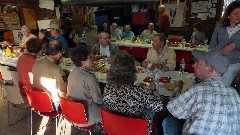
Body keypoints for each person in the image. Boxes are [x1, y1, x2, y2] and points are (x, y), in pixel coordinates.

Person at [166, 49, 240, 135]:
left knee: (168, 120)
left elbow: (173, 109)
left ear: (210, 70)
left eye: (197, 63)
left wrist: (177, 89)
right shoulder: (234, 93)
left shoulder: (198, 90)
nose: (193, 65)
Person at [103, 52, 163, 134]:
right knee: (154, 114)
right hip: (135, 131)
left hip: (114, 128)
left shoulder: (108, 87)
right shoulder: (140, 92)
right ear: (132, 72)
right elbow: (159, 107)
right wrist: (154, 90)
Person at [67, 46, 102, 128]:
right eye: (90, 57)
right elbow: (98, 100)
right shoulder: (90, 77)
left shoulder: (72, 72)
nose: (93, 58)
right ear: (83, 62)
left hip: (72, 112)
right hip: (87, 116)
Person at [209, 1, 240, 86]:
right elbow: (213, 44)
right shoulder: (220, 26)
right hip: (218, 60)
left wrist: (235, 44)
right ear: (228, 14)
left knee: (223, 82)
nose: (239, 16)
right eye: (235, 14)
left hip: (235, 62)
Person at [32, 40, 67, 110]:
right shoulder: (57, 70)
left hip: (36, 100)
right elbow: (64, 94)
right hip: (53, 104)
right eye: (61, 52)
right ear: (59, 53)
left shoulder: (35, 62)